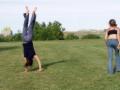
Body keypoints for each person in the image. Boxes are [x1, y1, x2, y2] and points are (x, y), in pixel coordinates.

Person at [22, 6, 42, 72]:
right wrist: (26, 70)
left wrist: (40, 68)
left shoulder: (32, 55)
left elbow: (37, 60)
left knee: (30, 25)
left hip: (28, 40)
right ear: (28, 61)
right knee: (25, 25)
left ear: (31, 61)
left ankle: (30, 14)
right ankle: (28, 14)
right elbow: (26, 61)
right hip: (24, 39)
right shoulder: (26, 56)